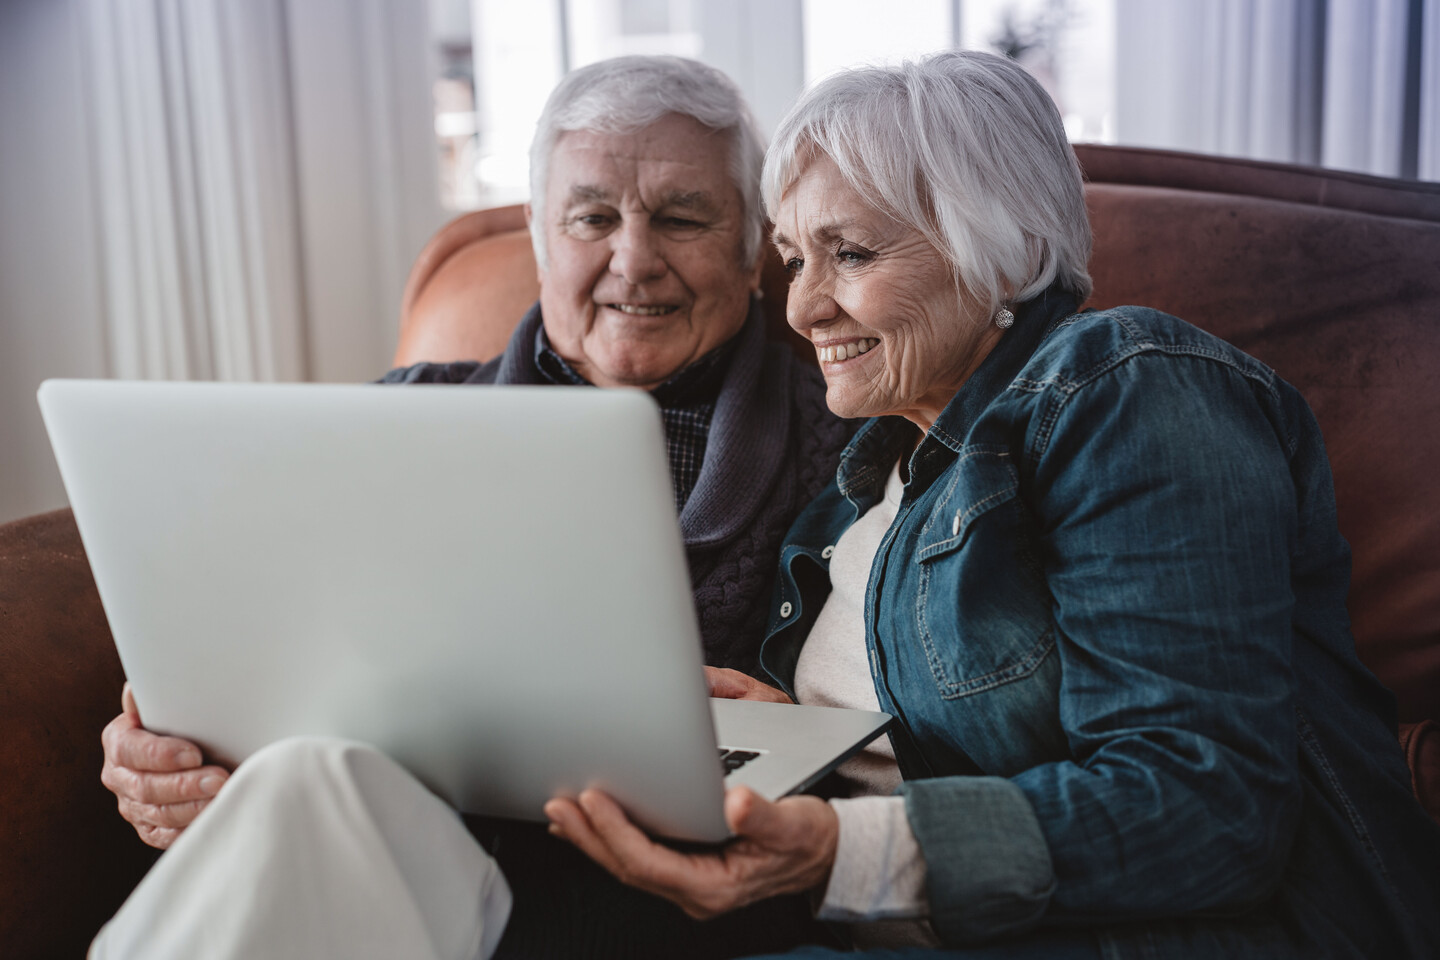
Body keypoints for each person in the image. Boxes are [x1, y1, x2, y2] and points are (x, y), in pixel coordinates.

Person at [541, 51, 1440, 958]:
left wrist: (836, 846)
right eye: (793, 259)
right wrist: (811, 745)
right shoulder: (862, 494)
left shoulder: (1128, 386)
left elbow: (1207, 805)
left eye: (849, 253)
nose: (803, 307)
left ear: (1003, 251)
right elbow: (937, 742)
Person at [91, 56, 850, 959]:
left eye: (683, 217)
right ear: (538, 235)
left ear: (750, 240)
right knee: (305, 777)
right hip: (378, 859)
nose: (634, 260)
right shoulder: (389, 418)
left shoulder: (850, 445)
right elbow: (260, 657)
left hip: (654, 903)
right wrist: (174, 750)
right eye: (591, 217)